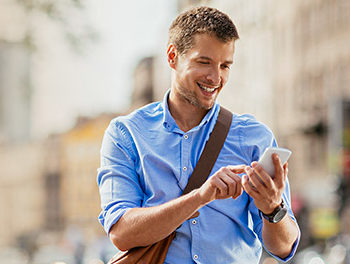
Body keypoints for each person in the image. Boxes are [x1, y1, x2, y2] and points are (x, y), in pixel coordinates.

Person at [97, 6, 300, 263]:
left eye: (225, 66)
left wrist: (273, 209)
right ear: (172, 56)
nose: (216, 78)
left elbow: (283, 248)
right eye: (204, 62)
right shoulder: (126, 134)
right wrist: (201, 197)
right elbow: (121, 232)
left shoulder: (254, 137)